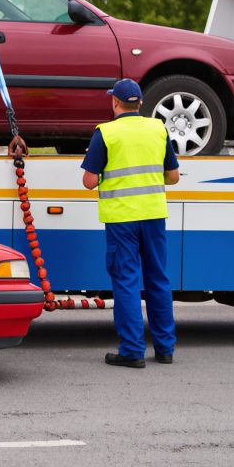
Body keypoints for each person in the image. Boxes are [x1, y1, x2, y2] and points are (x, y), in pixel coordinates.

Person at [80, 79, 180, 368]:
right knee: (158, 279)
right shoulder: (158, 128)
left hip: (122, 218)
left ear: (115, 103)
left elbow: (88, 181)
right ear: (140, 104)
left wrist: (108, 178)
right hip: (153, 215)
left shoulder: (106, 133)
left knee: (126, 281)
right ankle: (165, 350)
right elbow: (172, 177)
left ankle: (133, 351)